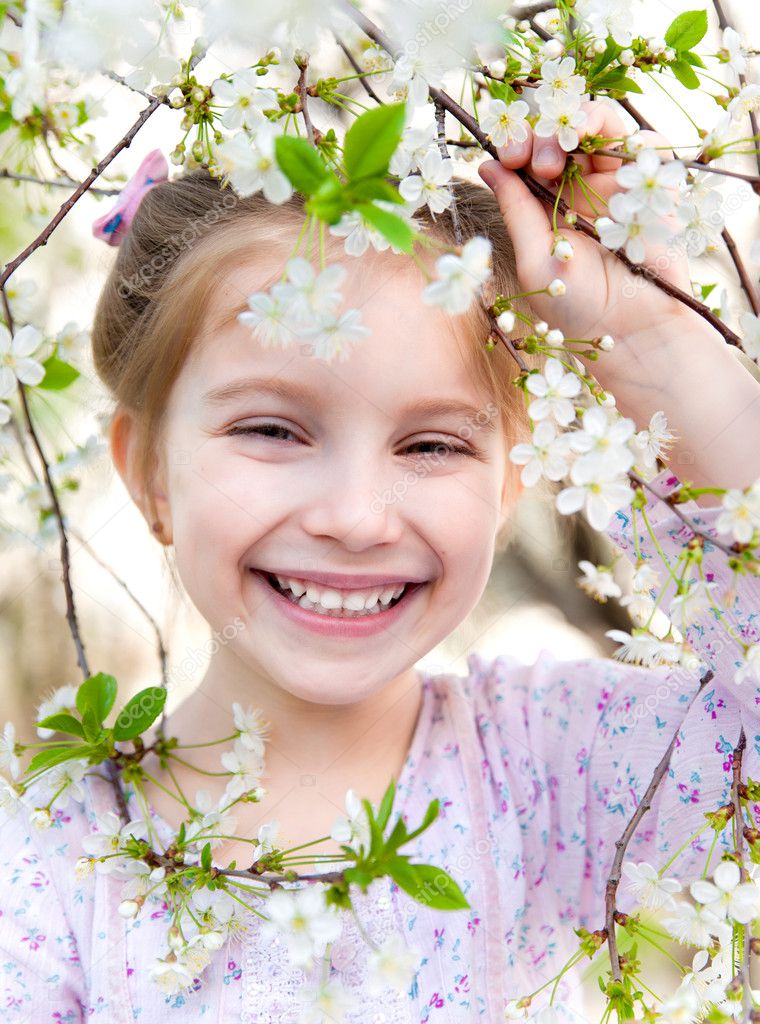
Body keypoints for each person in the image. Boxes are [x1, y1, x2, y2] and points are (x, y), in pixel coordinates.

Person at [0, 101, 758, 1023]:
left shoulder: (544, 769)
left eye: (433, 445)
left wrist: (657, 351)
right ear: (149, 472)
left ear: (510, 480)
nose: (358, 518)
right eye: (273, 429)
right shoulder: (51, 867)